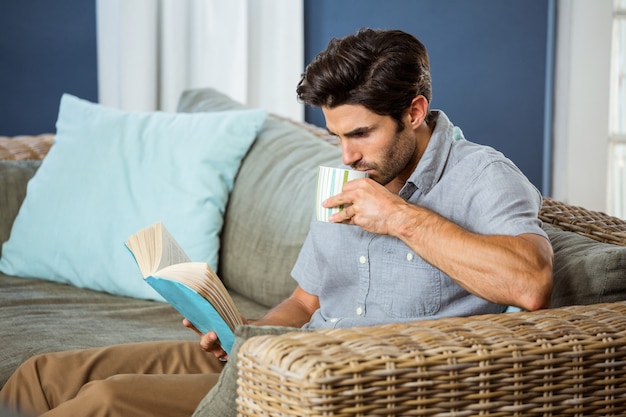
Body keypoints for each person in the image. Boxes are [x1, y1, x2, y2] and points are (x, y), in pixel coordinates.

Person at [0, 28, 553, 417]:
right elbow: (306, 304)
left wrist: (403, 219)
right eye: (336, 136)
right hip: (279, 355)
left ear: (414, 111)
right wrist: (247, 335)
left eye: (361, 134)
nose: (346, 157)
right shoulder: (342, 178)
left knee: (105, 404)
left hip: (338, 387)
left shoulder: (484, 176)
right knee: (46, 376)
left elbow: (529, 283)